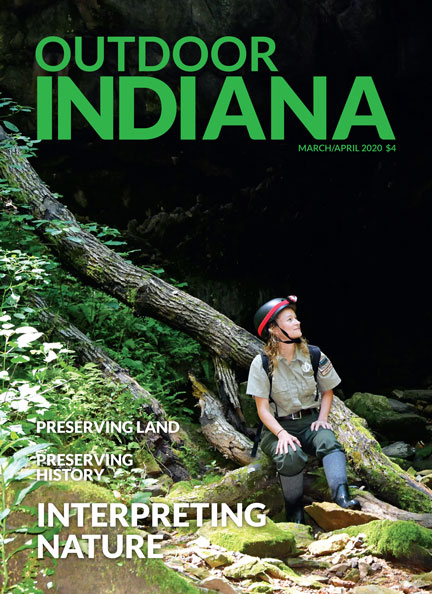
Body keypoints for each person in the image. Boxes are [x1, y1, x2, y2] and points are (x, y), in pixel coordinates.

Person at [247, 296, 360, 523]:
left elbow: (328, 391)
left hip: (309, 422)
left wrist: (322, 418)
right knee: (289, 456)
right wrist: (281, 434)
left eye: (296, 318)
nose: (297, 322)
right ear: (274, 329)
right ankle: (294, 512)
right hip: (276, 427)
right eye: (289, 319)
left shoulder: (315, 355)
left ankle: (342, 497)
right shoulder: (261, 363)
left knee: (328, 440)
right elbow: (262, 409)